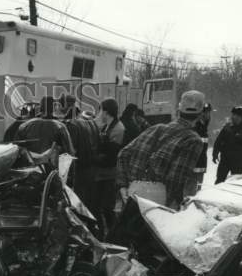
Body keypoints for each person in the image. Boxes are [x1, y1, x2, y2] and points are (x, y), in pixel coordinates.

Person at [115, 90, 207, 210]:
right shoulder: (193, 140)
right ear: (200, 115)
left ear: (178, 111)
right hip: (158, 201)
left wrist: (122, 186)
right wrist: (171, 208)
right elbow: (175, 179)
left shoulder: (155, 128)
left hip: (132, 194)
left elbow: (123, 154)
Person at [91, 98, 126, 234]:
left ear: (105, 112)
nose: (100, 114)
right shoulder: (107, 126)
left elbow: (111, 156)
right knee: (97, 206)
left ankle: (112, 234)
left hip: (109, 174)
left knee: (106, 207)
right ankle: (102, 232)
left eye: (101, 111)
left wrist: (93, 158)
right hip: (102, 173)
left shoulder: (118, 129)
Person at [9, 95, 74, 165]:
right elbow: (68, 153)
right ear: (53, 108)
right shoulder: (60, 127)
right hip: (50, 171)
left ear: (40, 108)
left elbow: (15, 150)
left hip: (29, 169)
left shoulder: (25, 126)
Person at [61, 94, 100, 207]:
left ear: (66, 106)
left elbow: (69, 152)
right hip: (92, 169)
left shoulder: (72, 124)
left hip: (79, 171)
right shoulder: (90, 120)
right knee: (90, 205)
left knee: (78, 207)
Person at [212, 106, 242, 184]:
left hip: (239, 158)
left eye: (237, 116)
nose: (234, 117)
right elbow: (218, 141)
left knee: (235, 180)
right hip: (226, 158)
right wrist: (215, 153)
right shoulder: (227, 127)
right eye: (233, 115)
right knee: (220, 179)